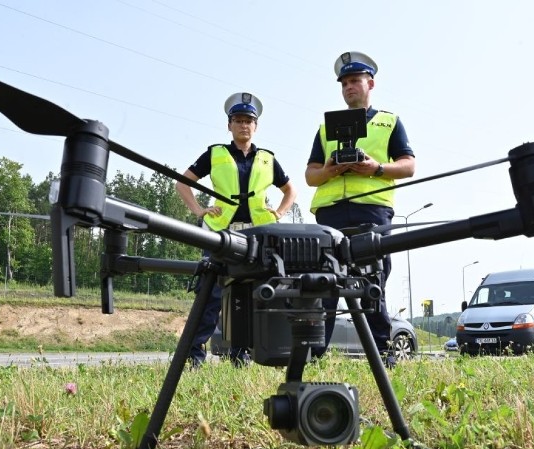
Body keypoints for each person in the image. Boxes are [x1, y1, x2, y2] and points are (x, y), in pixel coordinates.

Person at [305, 51, 416, 365]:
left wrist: (376, 168)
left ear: (371, 83)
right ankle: (314, 355)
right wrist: (330, 171)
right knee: (324, 280)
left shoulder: (390, 122)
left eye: (355, 81)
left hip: (372, 211)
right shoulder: (326, 129)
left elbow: (409, 166)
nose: (349, 87)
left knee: (371, 281)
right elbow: (310, 175)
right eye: (344, 83)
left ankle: (382, 354)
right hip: (330, 212)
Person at [176, 92, 297, 368]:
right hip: (221, 234)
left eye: (249, 121)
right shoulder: (215, 154)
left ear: (256, 127)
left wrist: (278, 213)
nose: (244, 125)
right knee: (210, 295)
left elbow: (290, 189)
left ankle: (240, 355)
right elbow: (183, 183)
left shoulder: (267, 159)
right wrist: (198, 211)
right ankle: (194, 356)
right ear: (229, 125)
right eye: (238, 120)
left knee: (252, 294)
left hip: (256, 236)